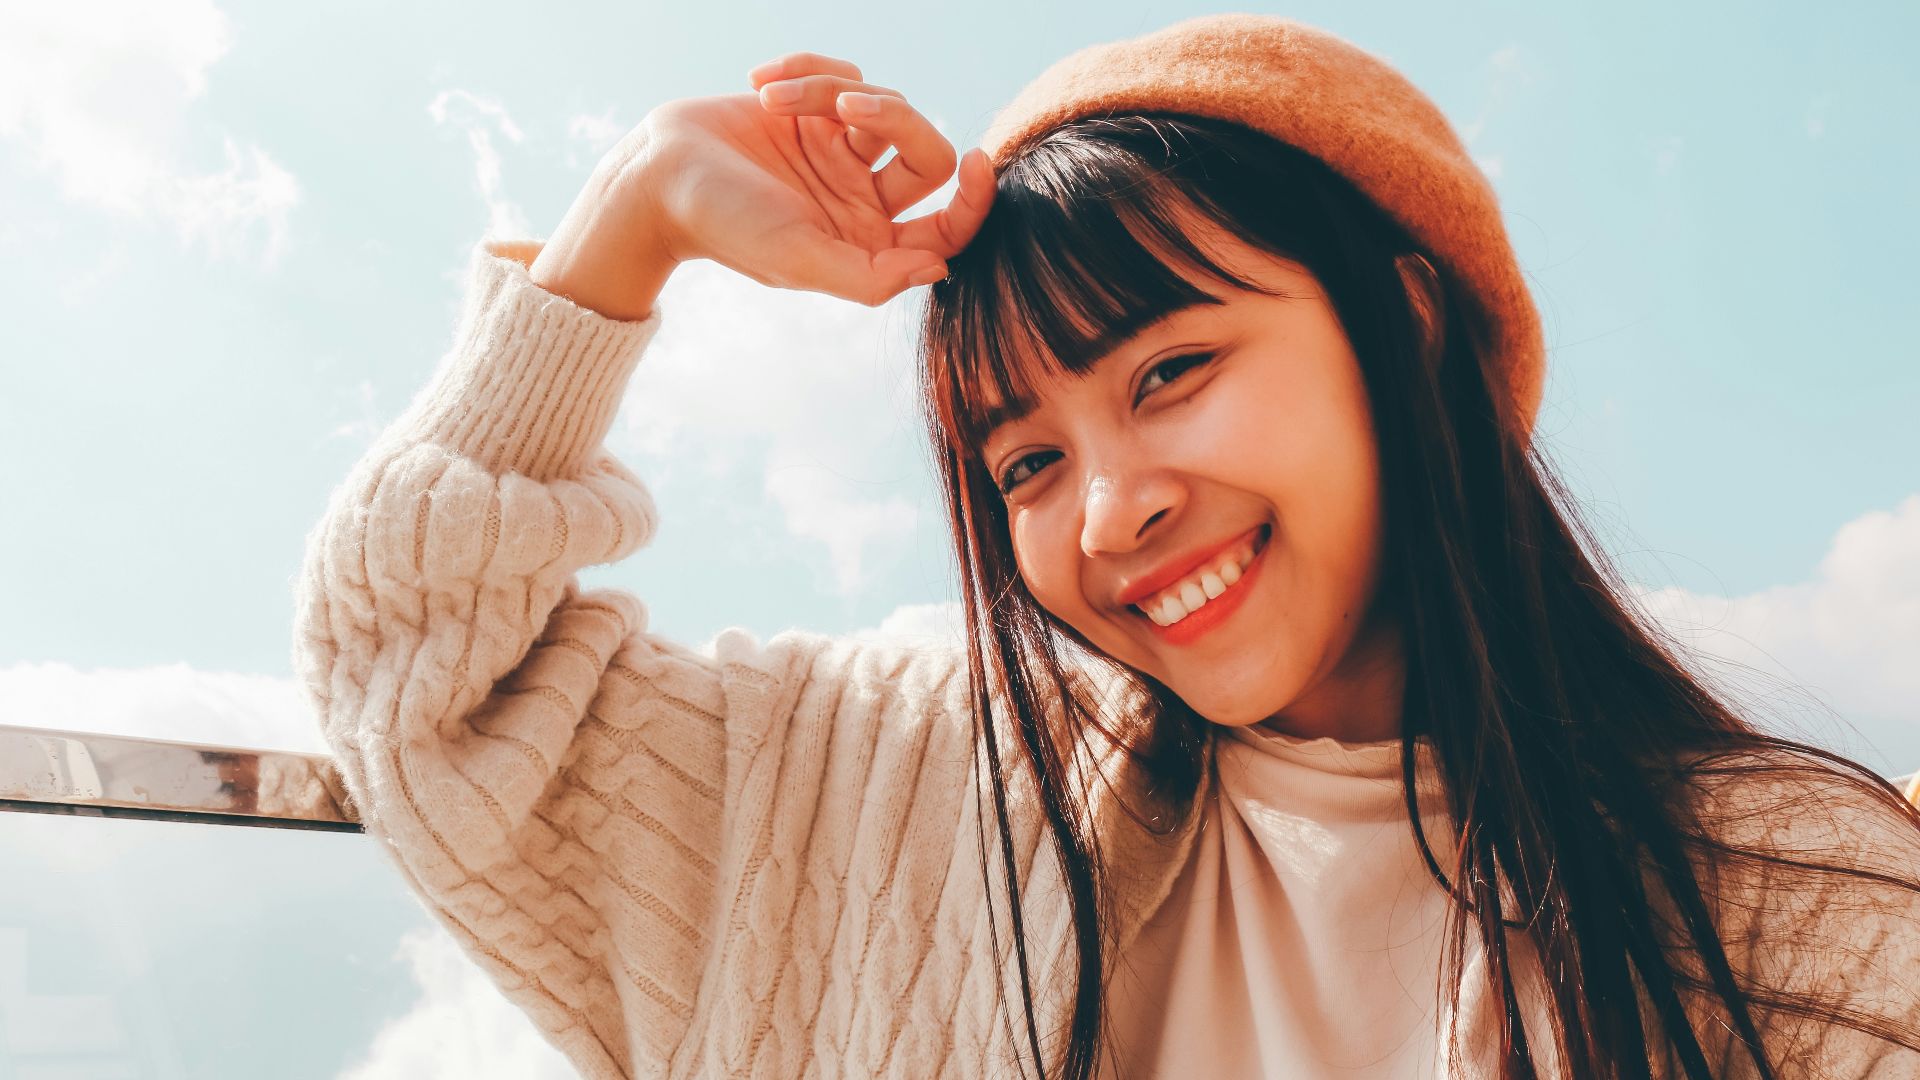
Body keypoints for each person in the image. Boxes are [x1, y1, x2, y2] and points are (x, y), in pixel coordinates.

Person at [292, 14, 1920, 1079]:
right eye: (1022, 460)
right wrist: (629, 219)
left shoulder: (1789, 891)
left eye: (1171, 371)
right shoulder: (906, 786)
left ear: (1408, 326)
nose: (1108, 509)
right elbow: (426, 684)